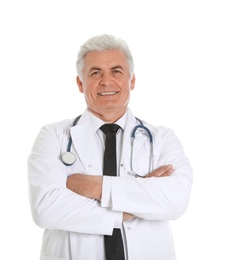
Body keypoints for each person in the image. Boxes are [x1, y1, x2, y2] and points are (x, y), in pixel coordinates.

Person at [28, 34, 193, 260]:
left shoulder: (162, 139)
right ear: (80, 83)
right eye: (95, 73)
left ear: (131, 80)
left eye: (116, 71)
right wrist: (139, 195)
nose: (106, 81)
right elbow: (46, 209)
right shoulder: (53, 136)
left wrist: (95, 186)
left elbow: (175, 201)